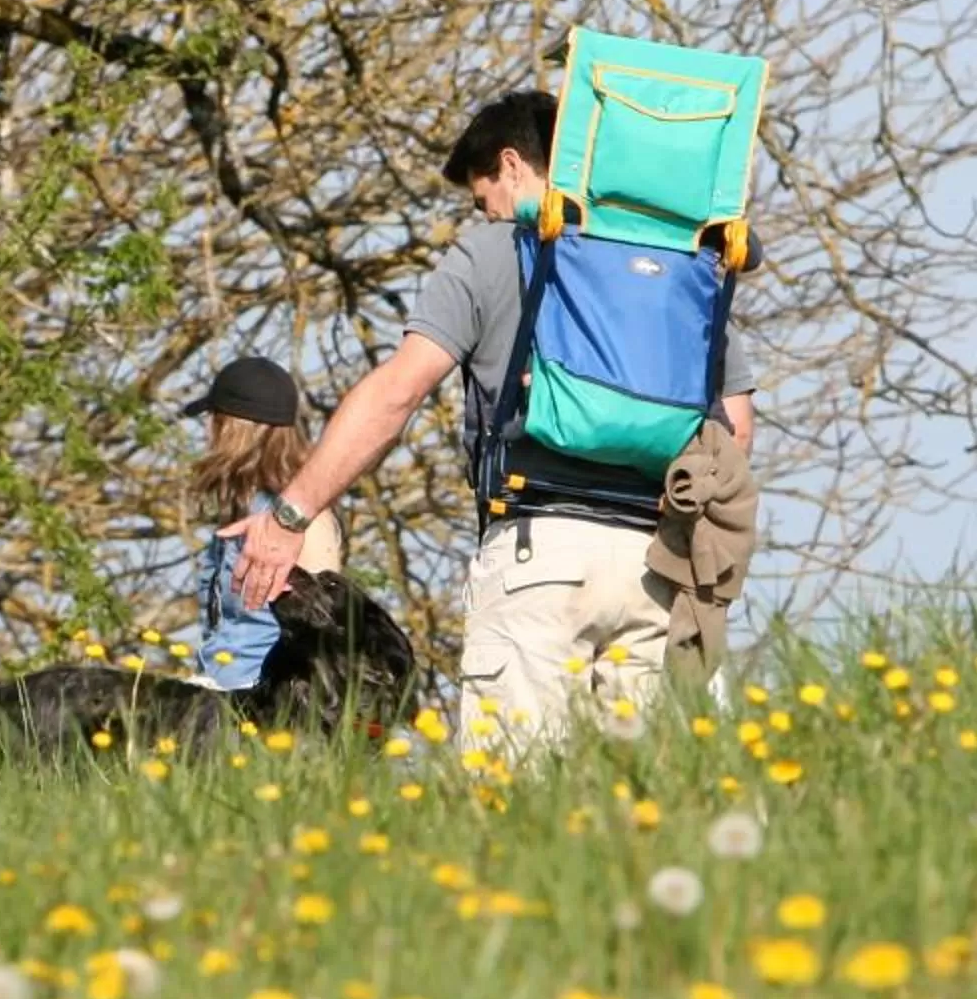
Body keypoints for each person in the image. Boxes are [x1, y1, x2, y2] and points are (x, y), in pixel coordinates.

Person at [225, 90, 755, 746]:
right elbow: (735, 427)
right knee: (651, 796)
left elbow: (398, 392)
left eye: (483, 198)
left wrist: (291, 515)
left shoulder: (496, 250)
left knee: (516, 793)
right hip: (662, 561)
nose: (488, 213)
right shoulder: (680, 263)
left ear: (511, 165)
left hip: (540, 554)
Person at [186, 355, 344, 690]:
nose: (205, 430)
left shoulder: (305, 521)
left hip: (265, 704)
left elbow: (325, 630)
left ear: (229, 426)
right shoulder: (240, 512)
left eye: (212, 418)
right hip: (215, 693)